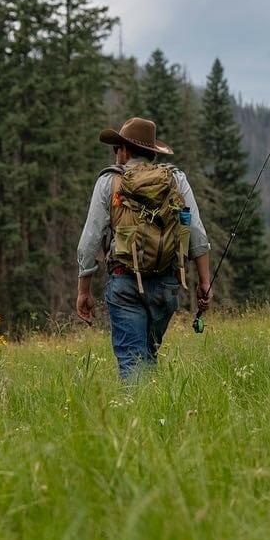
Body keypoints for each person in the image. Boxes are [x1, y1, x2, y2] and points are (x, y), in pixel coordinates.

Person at [76, 117, 212, 379]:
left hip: (124, 282)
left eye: (117, 148)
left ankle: (136, 417)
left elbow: (89, 241)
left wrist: (84, 291)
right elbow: (195, 232)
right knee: (148, 355)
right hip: (167, 285)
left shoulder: (109, 182)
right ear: (152, 152)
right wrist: (204, 282)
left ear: (125, 150)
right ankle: (154, 415)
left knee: (131, 359)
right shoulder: (176, 180)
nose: (116, 154)